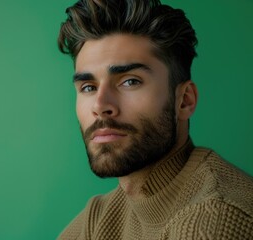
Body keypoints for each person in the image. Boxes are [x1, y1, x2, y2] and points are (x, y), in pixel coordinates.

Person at [56, 0, 253, 239]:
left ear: (184, 101)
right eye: (88, 87)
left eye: (130, 81)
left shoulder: (214, 219)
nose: (100, 105)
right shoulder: (100, 216)